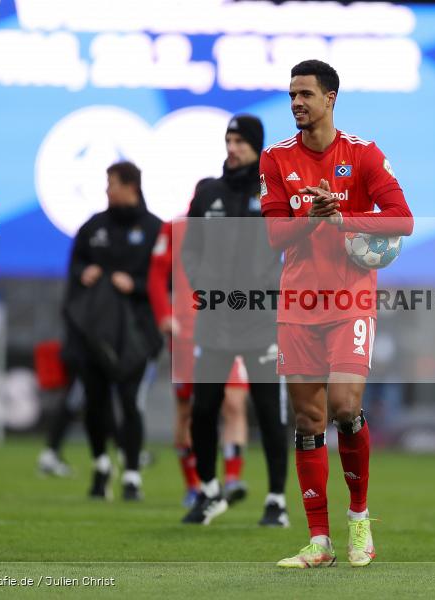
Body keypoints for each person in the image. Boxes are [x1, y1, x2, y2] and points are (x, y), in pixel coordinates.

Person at [260, 60, 414, 568]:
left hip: (350, 301)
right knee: (309, 418)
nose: (296, 103)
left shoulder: (364, 154)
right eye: (291, 95)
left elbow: (403, 220)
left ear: (330, 98)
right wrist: (311, 217)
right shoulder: (275, 158)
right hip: (298, 303)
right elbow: (274, 235)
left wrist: (343, 217)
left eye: (305, 94)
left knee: (345, 407)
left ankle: (359, 517)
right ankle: (319, 541)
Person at [181, 115, 290, 527]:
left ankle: (276, 500)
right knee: (203, 409)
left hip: (261, 320)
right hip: (215, 320)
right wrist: (201, 282)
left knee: (269, 412)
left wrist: (272, 285)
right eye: (229, 139)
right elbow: (190, 247)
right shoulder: (207, 192)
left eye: (241, 141)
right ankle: (209, 492)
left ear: (256, 146)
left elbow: (295, 246)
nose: (232, 147)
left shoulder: (274, 192)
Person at [147, 183, 252, 510]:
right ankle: (193, 485)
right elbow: (156, 275)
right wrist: (164, 315)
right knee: (188, 410)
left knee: (234, 402)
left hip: (230, 329)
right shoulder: (175, 229)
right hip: (187, 332)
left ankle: (232, 478)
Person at [64, 161, 162, 501]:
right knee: (95, 401)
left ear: (130, 186)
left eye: (112, 183)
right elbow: (74, 265)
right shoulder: (94, 227)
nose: (107, 190)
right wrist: (83, 273)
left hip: (137, 332)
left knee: (130, 401)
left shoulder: (154, 229)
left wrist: (136, 284)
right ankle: (101, 465)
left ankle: (132, 474)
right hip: (95, 332)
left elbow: (167, 279)